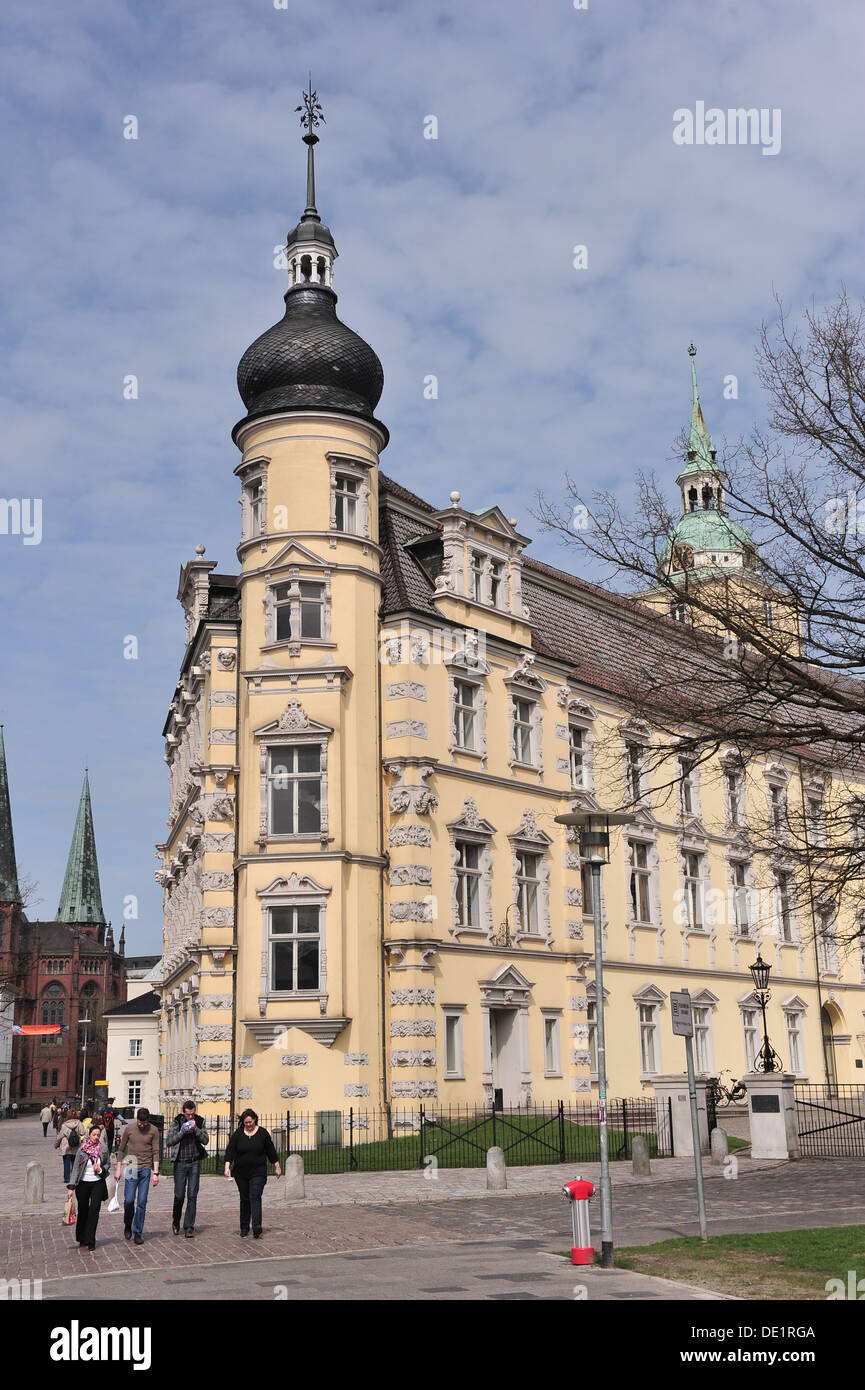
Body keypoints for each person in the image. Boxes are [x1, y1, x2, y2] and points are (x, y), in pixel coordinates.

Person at [224, 1109, 281, 1239]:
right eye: (246, 1123)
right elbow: (230, 1151)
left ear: (255, 1119)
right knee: (244, 1199)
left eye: (250, 1122)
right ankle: (244, 1227)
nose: (248, 1125)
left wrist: (277, 1166)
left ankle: (256, 1226)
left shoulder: (262, 1134)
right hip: (241, 1172)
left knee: (255, 1195)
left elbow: (271, 1150)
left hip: (258, 1171)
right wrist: (227, 1167)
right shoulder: (238, 1135)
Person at [116, 1107, 160, 1245]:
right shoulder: (129, 1129)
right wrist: (118, 1168)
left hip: (146, 1168)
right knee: (129, 1200)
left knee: (141, 1202)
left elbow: (156, 1152)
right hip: (131, 1167)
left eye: (144, 1122)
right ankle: (128, 1223)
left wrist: (156, 1173)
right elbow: (121, 1149)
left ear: (148, 1120)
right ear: (137, 1120)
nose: (142, 1125)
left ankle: (138, 1232)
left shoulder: (153, 1130)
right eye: (140, 1122)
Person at [167, 1101, 209, 1238]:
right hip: (180, 1163)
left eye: (192, 1114)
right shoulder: (177, 1122)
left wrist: (196, 1129)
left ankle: (189, 1226)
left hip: (194, 1162)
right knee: (179, 1195)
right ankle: (176, 1221)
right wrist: (182, 1132)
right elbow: (169, 1141)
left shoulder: (200, 1121)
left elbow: (206, 1140)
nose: (190, 1117)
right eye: (188, 1114)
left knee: (192, 1195)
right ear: (183, 1112)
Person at [67, 1121, 108, 1252]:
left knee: (94, 1210)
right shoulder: (82, 1150)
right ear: (89, 1135)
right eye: (94, 1134)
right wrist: (71, 1187)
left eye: (98, 1135)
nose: (96, 1137)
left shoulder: (103, 1149)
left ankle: (91, 1239)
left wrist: (100, 1169)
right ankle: (82, 1237)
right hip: (83, 1183)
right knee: (83, 1210)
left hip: (97, 1183)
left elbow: (108, 1165)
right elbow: (75, 1169)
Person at [55, 1108, 85, 1184]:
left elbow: (60, 1136)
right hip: (75, 1145)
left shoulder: (64, 1125)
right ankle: (74, 1177)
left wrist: (56, 1144)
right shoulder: (79, 1123)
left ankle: (67, 1178)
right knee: (75, 1163)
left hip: (66, 1146)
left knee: (66, 1163)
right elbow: (83, 1132)